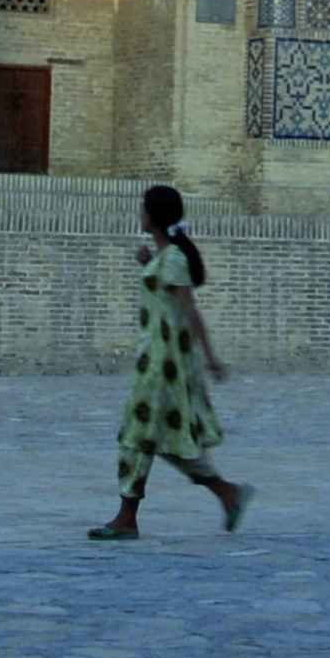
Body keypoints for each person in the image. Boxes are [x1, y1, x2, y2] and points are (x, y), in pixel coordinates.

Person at [88, 184, 254, 540]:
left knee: (137, 435)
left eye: (144, 208)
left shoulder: (175, 259)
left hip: (164, 366)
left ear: (154, 215)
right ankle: (227, 493)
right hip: (155, 360)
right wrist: (150, 264)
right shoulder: (167, 258)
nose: (140, 214)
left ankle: (127, 517)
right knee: (166, 439)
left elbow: (189, 310)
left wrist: (211, 359)